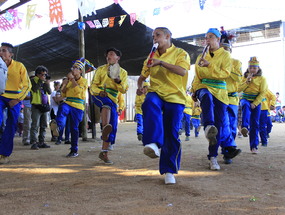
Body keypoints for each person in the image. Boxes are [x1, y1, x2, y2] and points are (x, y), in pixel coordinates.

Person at [137, 27, 190, 184]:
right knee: (149, 103)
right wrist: (140, 86)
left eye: (158, 35)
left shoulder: (181, 53)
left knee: (172, 133)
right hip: (156, 92)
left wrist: (161, 63)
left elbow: (181, 71)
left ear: (168, 36)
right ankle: (153, 143)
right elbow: (142, 77)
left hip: (176, 97)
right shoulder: (151, 55)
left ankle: (169, 171)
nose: (155, 39)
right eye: (153, 36)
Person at [191, 28, 241, 170]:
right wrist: (194, 91)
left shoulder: (225, 55)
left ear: (218, 39)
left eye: (211, 37)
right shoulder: (201, 56)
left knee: (219, 127)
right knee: (206, 95)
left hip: (220, 91)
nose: (207, 40)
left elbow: (225, 74)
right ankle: (208, 125)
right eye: (206, 37)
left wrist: (209, 65)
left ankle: (213, 157)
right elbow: (197, 76)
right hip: (204, 86)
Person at [90, 47, 128, 164]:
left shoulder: (123, 73)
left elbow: (124, 89)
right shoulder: (100, 69)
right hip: (99, 95)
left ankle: (104, 153)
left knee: (113, 126)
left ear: (118, 57)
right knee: (105, 104)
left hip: (113, 98)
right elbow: (93, 85)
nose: (108, 56)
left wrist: (118, 81)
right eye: (107, 55)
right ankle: (105, 125)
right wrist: (99, 92)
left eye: (111, 54)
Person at [0, 42, 31, 164]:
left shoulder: (19, 66)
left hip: (15, 98)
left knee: (12, 124)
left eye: (4, 50)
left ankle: (4, 154)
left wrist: (18, 99)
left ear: (11, 54)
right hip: (1, 96)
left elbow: (27, 85)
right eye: (0, 50)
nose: (1, 53)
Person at [54, 59, 88, 157]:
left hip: (78, 106)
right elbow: (63, 93)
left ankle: (74, 149)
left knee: (74, 128)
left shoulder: (84, 81)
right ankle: (58, 126)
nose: (73, 69)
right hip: (68, 102)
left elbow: (78, 91)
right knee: (62, 108)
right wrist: (64, 83)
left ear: (80, 71)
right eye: (73, 68)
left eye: (76, 68)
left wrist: (72, 80)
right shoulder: (69, 81)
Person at [220, 27, 243, 164]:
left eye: (227, 49)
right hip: (219, 97)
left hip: (233, 98)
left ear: (230, 50)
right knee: (224, 123)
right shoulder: (214, 61)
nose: (224, 51)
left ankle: (228, 152)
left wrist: (227, 68)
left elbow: (238, 79)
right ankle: (228, 149)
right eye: (222, 48)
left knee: (232, 124)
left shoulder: (236, 63)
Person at [238, 57, 268, 154]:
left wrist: (255, 103)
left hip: (256, 101)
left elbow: (263, 92)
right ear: (248, 68)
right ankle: (244, 127)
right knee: (245, 107)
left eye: (254, 68)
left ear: (258, 68)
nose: (252, 70)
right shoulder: (244, 77)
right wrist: (247, 81)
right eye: (250, 68)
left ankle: (253, 146)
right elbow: (239, 89)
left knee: (255, 124)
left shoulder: (262, 79)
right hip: (245, 98)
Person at [30, 65, 52, 150]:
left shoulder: (44, 82)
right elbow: (34, 89)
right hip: (36, 105)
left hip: (44, 105)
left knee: (43, 125)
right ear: (38, 74)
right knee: (35, 125)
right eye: (43, 74)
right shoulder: (32, 81)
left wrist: (47, 84)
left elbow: (49, 92)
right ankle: (34, 142)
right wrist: (40, 81)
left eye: (45, 75)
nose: (44, 76)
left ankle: (41, 141)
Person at [22, 71, 34, 145]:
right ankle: (26, 139)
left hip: (35, 106)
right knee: (27, 123)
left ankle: (32, 139)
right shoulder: (26, 86)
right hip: (27, 106)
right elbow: (24, 96)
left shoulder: (37, 86)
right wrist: (33, 97)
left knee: (34, 124)